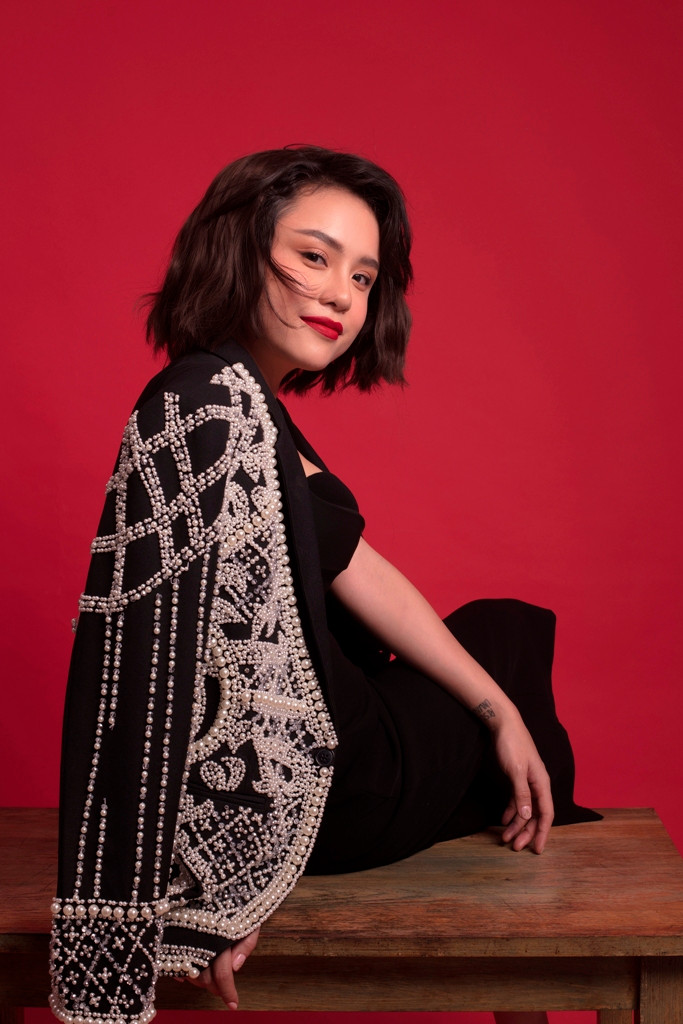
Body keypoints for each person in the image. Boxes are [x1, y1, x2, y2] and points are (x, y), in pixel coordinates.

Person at [49, 146, 600, 1024]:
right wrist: (217, 883)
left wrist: (500, 714)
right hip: (324, 785)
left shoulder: (241, 402)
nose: (341, 294)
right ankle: (526, 839)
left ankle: (516, 805)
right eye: (313, 256)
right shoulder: (206, 406)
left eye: (363, 276)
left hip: (323, 763)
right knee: (504, 644)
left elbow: (359, 569)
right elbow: (159, 655)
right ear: (240, 247)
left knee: (498, 646)